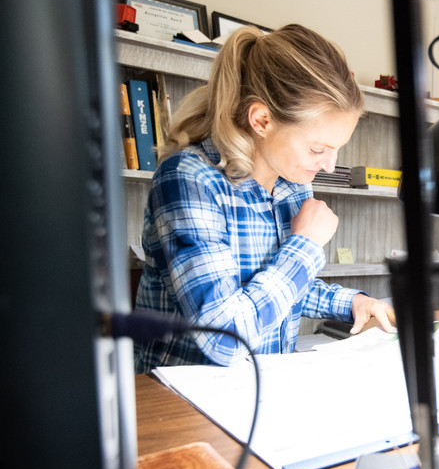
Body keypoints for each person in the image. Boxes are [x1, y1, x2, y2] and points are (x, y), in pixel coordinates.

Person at [134, 23, 394, 373]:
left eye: (336, 149)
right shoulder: (189, 178)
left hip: (260, 388)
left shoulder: (291, 183)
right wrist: (304, 244)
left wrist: (353, 302)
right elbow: (224, 339)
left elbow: (275, 285)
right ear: (261, 120)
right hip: (184, 400)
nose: (329, 165)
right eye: (318, 148)